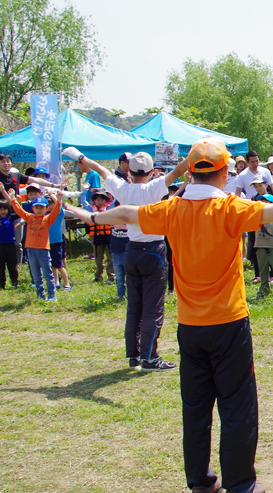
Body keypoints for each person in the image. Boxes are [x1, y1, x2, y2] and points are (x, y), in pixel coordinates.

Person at [65, 137, 273, 493]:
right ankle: (240, 486)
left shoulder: (171, 208)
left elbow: (128, 214)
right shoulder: (229, 207)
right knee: (237, 404)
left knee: (195, 406)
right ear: (226, 172)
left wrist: (90, 217)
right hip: (228, 323)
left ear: (189, 171)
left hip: (189, 326)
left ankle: (201, 483)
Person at [71, 150, 188, 371]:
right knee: (153, 307)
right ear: (152, 171)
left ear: (130, 171)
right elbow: (179, 170)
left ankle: (134, 355)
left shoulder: (122, 187)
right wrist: (195, 154)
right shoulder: (154, 187)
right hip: (153, 249)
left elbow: (102, 169)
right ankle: (150, 358)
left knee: (134, 306)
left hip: (131, 249)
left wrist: (82, 159)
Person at [3, 185, 62, 301]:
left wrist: (58, 200)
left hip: (42, 250)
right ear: (33, 208)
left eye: (42, 207)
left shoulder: (47, 219)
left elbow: (56, 211)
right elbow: (19, 211)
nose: (39, 210)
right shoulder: (29, 217)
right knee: (36, 275)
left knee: (47, 273)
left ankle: (52, 295)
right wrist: (13, 199)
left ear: (46, 209)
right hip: (30, 249)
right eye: (37, 207)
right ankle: (40, 295)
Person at [0, 200, 20, 289]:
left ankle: (14, 282)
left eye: (5, 209)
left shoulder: (10, 217)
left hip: (10, 244)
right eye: (0, 209)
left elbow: (19, 213)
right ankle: (1, 284)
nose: (3, 212)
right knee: (0, 265)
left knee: (12, 265)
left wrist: (18, 202)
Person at [88, 190, 116, 284]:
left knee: (110, 258)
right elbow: (84, 203)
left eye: (102, 200)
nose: (100, 202)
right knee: (98, 258)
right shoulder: (92, 209)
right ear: (95, 201)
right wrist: (84, 190)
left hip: (108, 237)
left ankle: (111, 276)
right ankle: (98, 276)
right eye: (98, 200)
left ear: (106, 201)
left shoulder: (108, 209)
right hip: (97, 237)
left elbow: (116, 200)